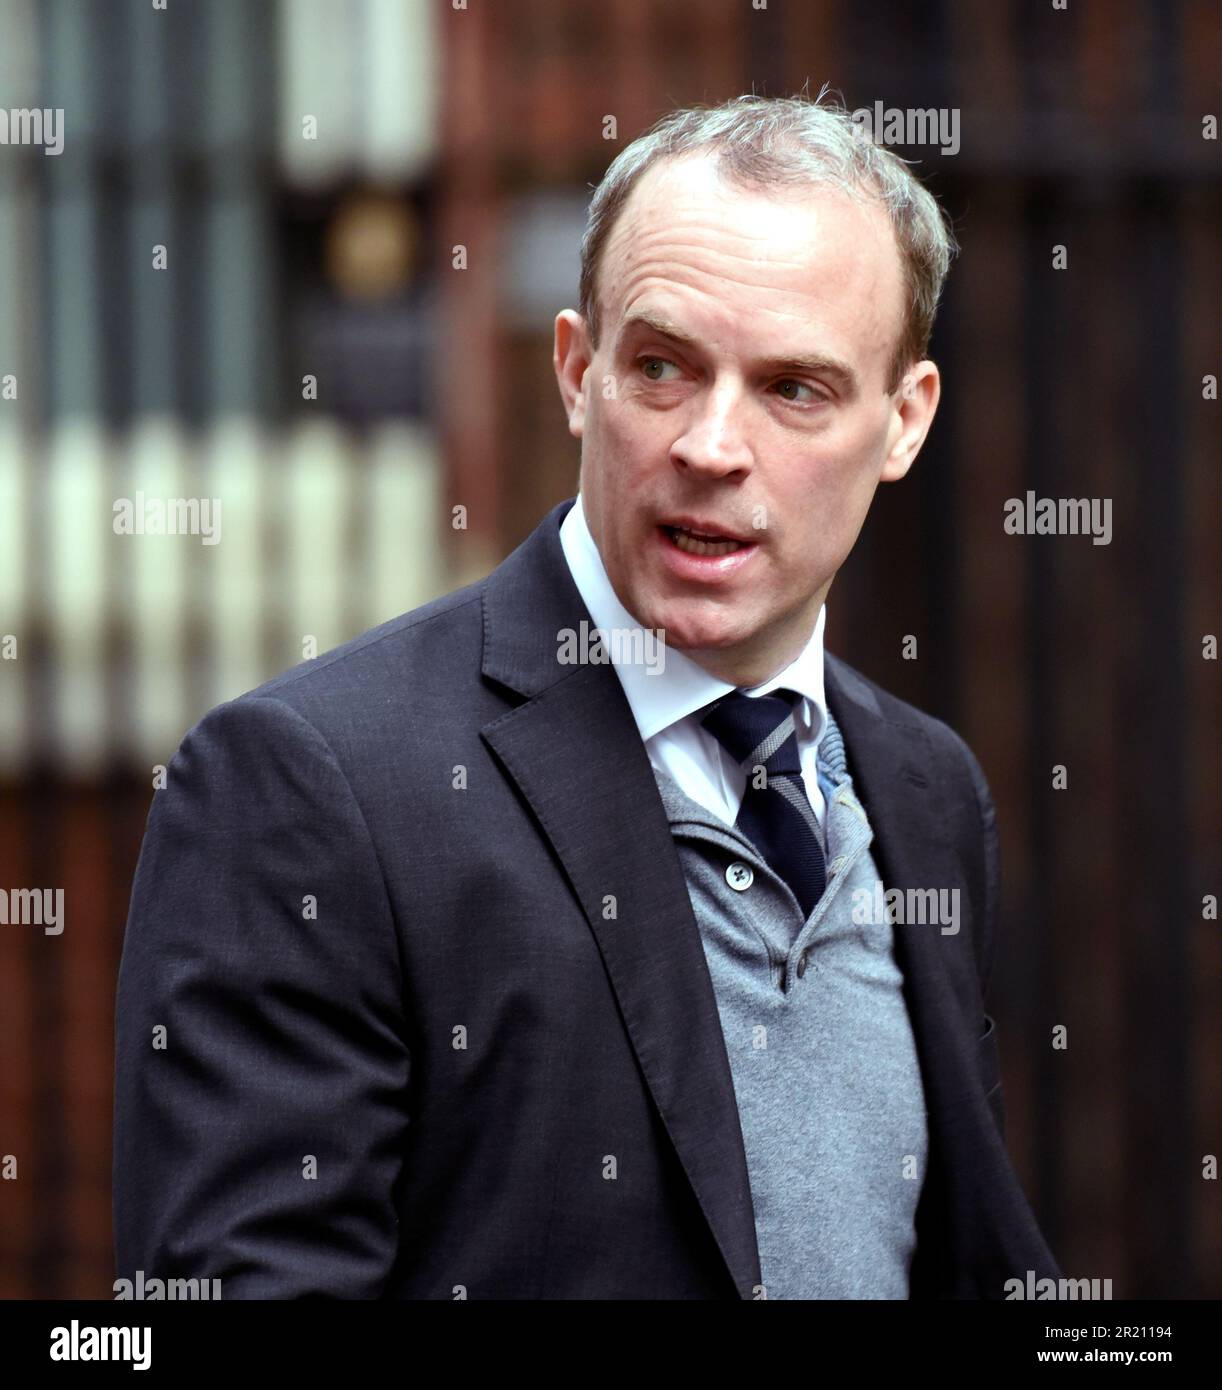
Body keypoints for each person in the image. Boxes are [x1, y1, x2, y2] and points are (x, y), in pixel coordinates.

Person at [114, 91, 1061, 1299]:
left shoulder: (927, 789)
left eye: (795, 390)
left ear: (904, 422)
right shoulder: (313, 784)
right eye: (662, 366)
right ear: (577, 370)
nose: (712, 445)